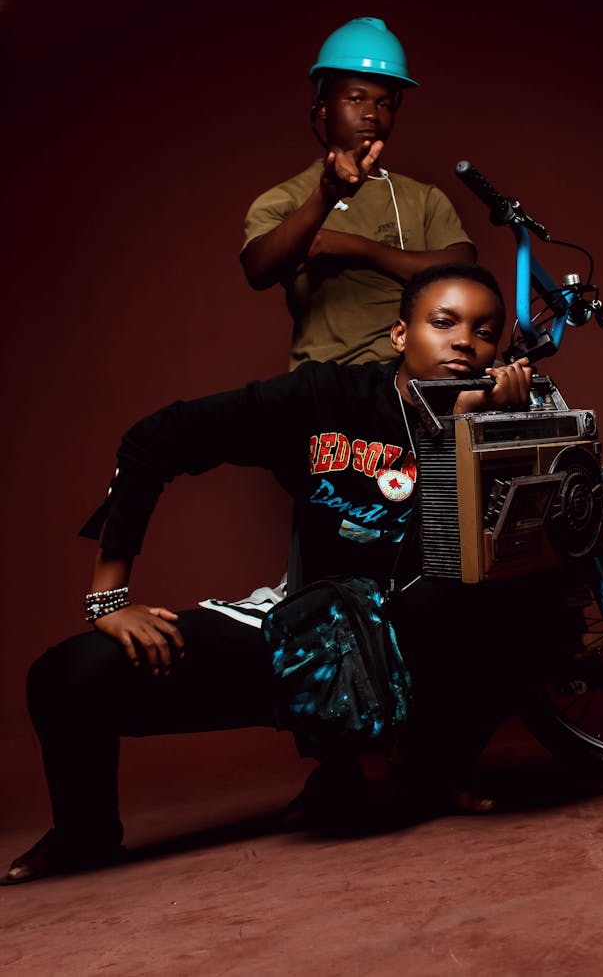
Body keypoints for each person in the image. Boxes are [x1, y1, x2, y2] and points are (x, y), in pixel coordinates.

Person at [3, 263, 555, 887]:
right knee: (67, 676)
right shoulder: (323, 398)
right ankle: (86, 835)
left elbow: (533, 551)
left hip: (419, 635)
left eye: (484, 331)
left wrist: (504, 427)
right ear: (401, 335)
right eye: (443, 322)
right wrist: (109, 597)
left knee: (531, 598)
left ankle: (426, 773)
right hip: (308, 641)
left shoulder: (505, 414)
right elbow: (155, 439)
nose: (464, 342)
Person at [240, 17, 477, 369]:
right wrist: (325, 196)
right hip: (326, 382)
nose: (371, 113)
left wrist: (352, 247)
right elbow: (258, 269)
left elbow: (461, 270)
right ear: (322, 106)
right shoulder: (288, 197)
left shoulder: (423, 197)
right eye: (355, 98)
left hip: (414, 382)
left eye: (384, 103)